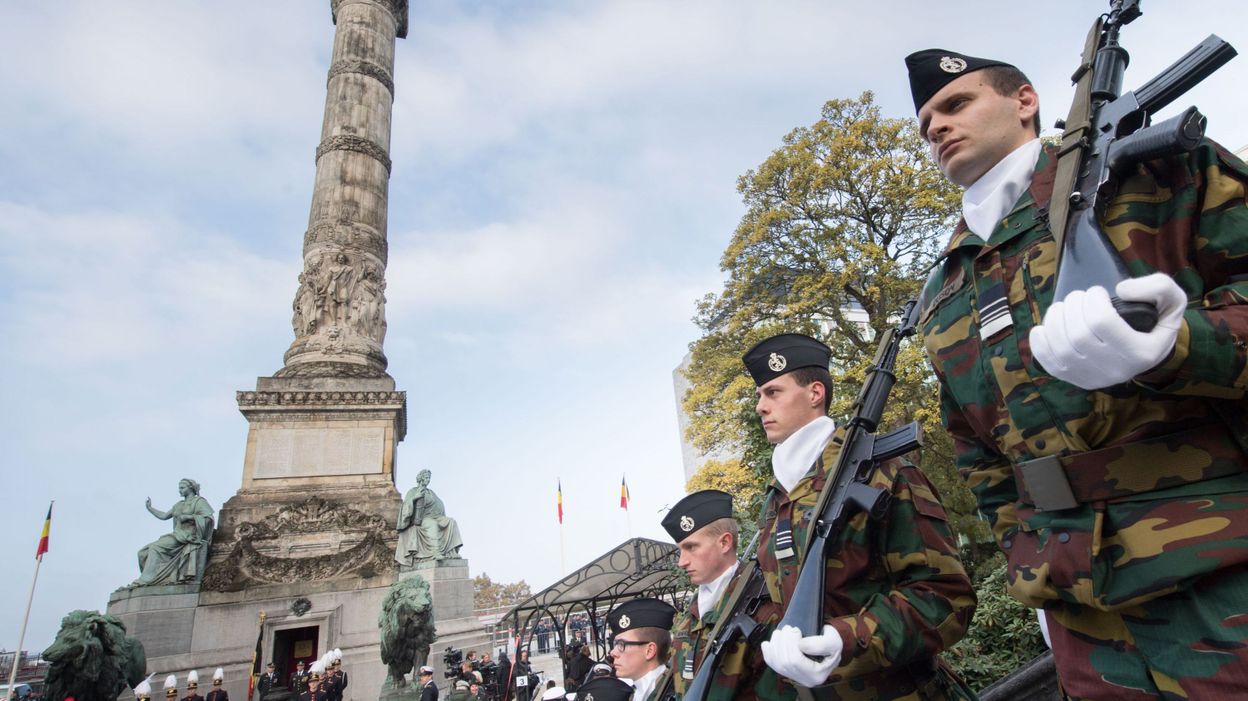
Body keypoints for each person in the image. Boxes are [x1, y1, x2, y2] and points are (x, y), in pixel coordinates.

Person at [906, 46, 1248, 698]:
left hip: (1218, 564)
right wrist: (1027, 562)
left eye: (956, 104)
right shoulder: (944, 292)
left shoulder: (1149, 173)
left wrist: (1179, 342)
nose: (939, 129)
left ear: (1025, 100)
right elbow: (982, 458)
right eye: (926, 126)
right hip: (1078, 606)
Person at [723, 334, 977, 699]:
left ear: (814, 394)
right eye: (759, 396)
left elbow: (946, 599)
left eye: (773, 392)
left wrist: (844, 638)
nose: (760, 407)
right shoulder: (778, 500)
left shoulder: (883, 472)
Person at [660, 490, 741, 697]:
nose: (681, 561)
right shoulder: (691, 613)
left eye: (691, 547)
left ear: (725, 543)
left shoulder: (759, 597)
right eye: (680, 550)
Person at [131, 478, 214, 586]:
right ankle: (153, 577)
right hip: (177, 535)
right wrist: (150, 508)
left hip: (187, 536)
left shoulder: (199, 502)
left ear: (191, 488)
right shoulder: (178, 505)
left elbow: (208, 518)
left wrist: (190, 517)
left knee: (155, 548)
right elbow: (164, 516)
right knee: (143, 552)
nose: (180, 490)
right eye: (179, 488)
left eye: (182, 488)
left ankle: (146, 579)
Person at [606, 598, 675, 701]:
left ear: (649, 651)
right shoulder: (635, 692)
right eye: (615, 644)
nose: (613, 652)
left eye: (621, 644)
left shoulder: (676, 693)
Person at [396, 469, 465, 565]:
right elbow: (406, 506)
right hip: (423, 518)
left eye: (429, 478)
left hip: (435, 516)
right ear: (420, 478)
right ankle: (435, 552)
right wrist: (415, 498)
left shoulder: (431, 492)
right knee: (432, 524)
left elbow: (439, 504)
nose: (428, 480)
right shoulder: (413, 491)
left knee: (451, 521)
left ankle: (451, 551)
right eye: (426, 477)